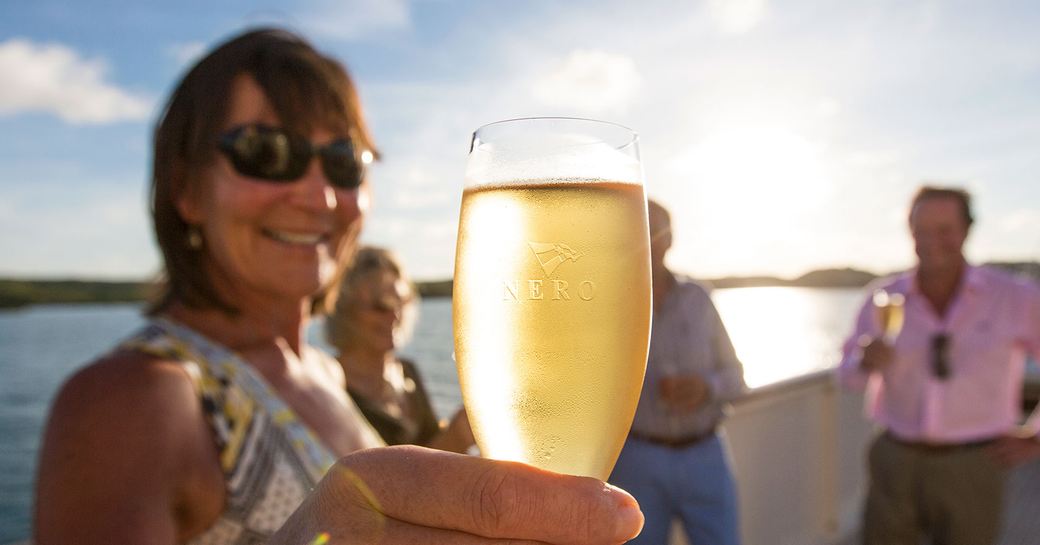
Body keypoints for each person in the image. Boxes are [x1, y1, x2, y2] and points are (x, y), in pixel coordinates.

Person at [33, 27, 644, 545]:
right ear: (187, 190)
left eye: (343, 160)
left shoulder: (323, 371)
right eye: (266, 152)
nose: (319, 194)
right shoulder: (132, 400)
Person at [837, 185, 1040, 545]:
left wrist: (1036, 438)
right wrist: (863, 360)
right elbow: (847, 376)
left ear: (966, 230)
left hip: (975, 464)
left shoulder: (1014, 296)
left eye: (944, 230)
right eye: (921, 231)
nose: (931, 241)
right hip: (894, 458)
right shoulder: (884, 296)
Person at [608, 199, 747, 545]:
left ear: (670, 239)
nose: (646, 239)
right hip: (636, 459)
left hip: (706, 454)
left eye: (655, 230)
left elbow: (735, 376)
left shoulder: (699, 297)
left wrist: (705, 388)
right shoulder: (606, 303)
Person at [326, 245, 474, 452]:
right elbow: (375, 478)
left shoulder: (406, 370)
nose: (394, 315)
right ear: (342, 308)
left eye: (401, 302)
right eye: (382, 305)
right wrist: (456, 437)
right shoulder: (328, 386)